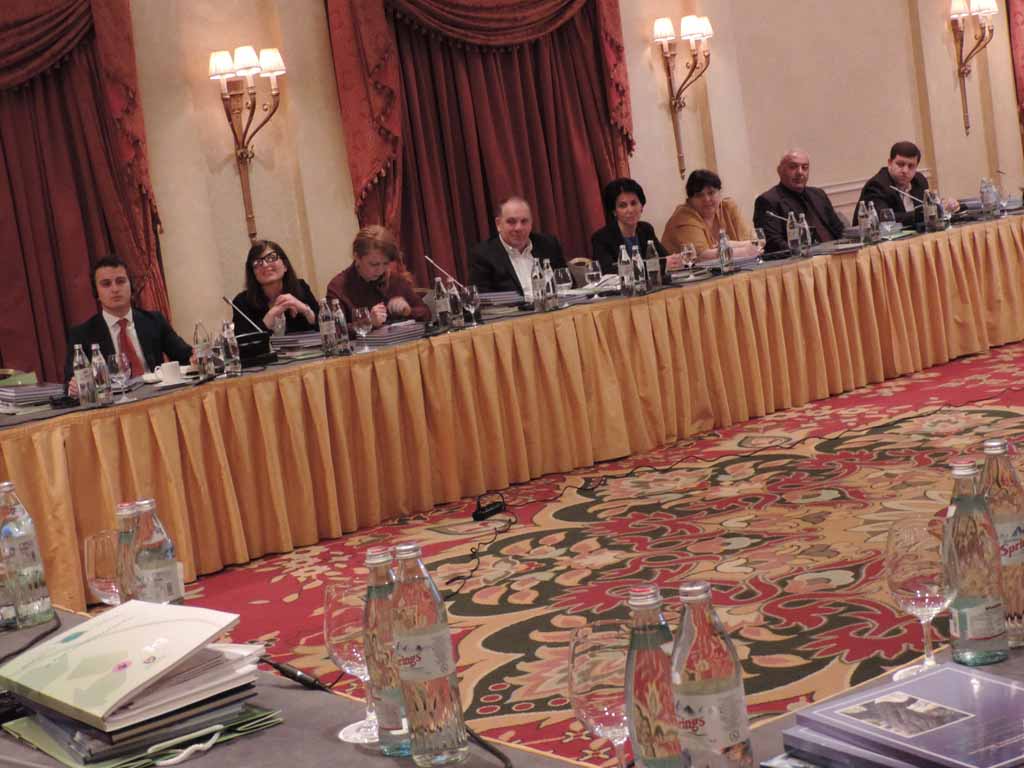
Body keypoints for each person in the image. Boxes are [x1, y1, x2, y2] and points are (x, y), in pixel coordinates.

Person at [63, 256, 192, 391]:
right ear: (96, 293)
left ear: (131, 286)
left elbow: (185, 356)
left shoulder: (154, 320)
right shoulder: (82, 334)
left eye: (121, 281)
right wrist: (74, 387)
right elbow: (70, 382)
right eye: (106, 284)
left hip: (157, 395)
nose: (115, 289)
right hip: (115, 401)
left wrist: (195, 357)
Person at [326, 225, 429, 327]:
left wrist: (408, 311)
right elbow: (335, 330)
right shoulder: (338, 287)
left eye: (386, 263)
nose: (380, 271)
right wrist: (368, 322)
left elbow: (426, 313)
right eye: (374, 264)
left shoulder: (395, 280)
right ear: (357, 257)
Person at [753, 149, 845, 255]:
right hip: (802, 260)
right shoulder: (768, 201)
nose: (800, 172)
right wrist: (804, 253)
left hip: (836, 254)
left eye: (805, 168)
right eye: (793, 167)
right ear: (779, 171)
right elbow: (772, 243)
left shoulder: (818, 194)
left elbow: (838, 229)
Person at [468, 196, 565, 294]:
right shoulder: (483, 255)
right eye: (511, 222)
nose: (518, 228)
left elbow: (566, 284)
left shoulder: (548, 245)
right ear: (498, 224)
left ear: (531, 223)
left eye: (524, 221)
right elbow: (483, 298)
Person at [663, 170, 759, 263]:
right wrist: (744, 251)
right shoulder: (684, 217)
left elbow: (755, 242)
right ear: (690, 200)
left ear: (720, 193)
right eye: (699, 195)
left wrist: (730, 244)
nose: (706, 199)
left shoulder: (727, 207)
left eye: (711, 193)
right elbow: (701, 256)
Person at [855, 141, 960, 225]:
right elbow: (885, 219)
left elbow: (929, 210)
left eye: (911, 166)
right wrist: (924, 214)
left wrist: (944, 207)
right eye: (900, 164)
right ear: (890, 163)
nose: (905, 170)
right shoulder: (877, 186)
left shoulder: (919, 181)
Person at [231, 240, 319, 335]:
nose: (265, 265)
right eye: (257, 262)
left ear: (285, 266)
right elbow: (242, 342)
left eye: (271, 258)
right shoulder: (241, 302)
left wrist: (305, 310)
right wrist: (271, 315)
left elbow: (324, 326)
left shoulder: (301, 287)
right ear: (253, 273)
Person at [591, 178, 668, 274]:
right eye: (623, 206)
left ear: (641, 206)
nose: (630, 210)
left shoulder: (646, 229)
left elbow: (664, 259)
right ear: (614, 211)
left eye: (633, 203)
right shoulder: (602, 238)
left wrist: (672, 262)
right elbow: (609, 272)